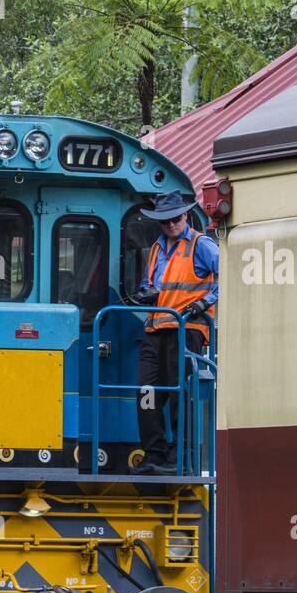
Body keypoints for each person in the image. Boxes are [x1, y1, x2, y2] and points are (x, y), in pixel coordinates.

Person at [130, 192, 218, 475]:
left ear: (186, 216)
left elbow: (228, 271)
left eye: (175, 218)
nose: (170, 225)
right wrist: (146, 293)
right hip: (155, 329)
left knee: (181, 394)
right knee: (146, 392)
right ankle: (154, 452)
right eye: (165, 220)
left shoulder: (200, 245)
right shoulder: (156, 248)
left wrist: (205, 302)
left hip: (185, 330)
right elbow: (150, 281)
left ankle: (181, 455)